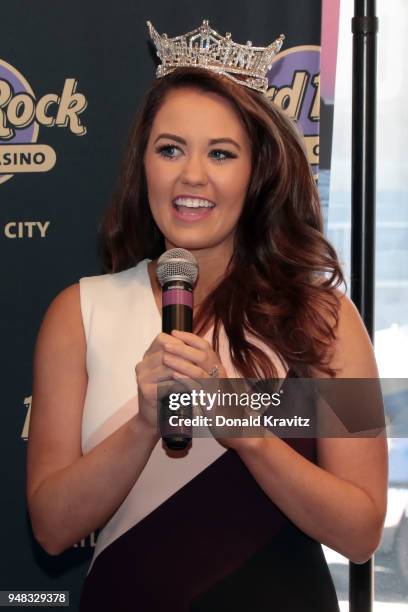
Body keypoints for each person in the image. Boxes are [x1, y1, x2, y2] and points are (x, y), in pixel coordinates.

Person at [27, 20, 387, 612]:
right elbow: (50, 527)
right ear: (142, 163)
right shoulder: (79, 314)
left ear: (257, 172)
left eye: (221, 153)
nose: (192, 175)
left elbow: (362, 529)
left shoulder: (328, 318)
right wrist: (145, 422)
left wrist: (251, 435)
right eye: (170, 149)